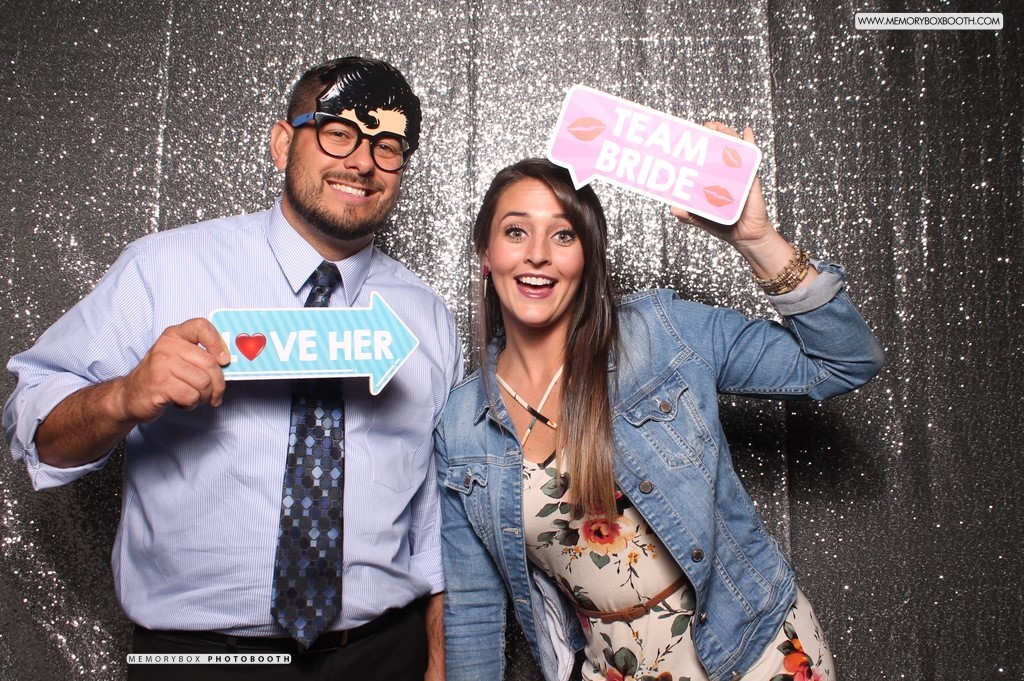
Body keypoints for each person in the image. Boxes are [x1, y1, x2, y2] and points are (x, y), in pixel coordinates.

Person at [4, 57, 461, 681]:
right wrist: (123, 397)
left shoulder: (427, 317)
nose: (361, 161)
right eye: (338, 132)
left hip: (381, 657)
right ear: (283, 143)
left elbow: (437, 517)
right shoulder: (162, 270)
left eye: (387, 147)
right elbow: (35, 429)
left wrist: (438, 662)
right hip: (200, 660)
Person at [436, 130, 884, 681]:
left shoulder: (662, 335)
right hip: (617, 668)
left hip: (757, 650)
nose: (538, 254)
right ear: (486, 253)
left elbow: (843, 362)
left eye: (564, 234)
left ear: (588, 256)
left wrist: (757, 240)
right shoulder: (461, 425)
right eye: (515, 231)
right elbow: (474, 611)